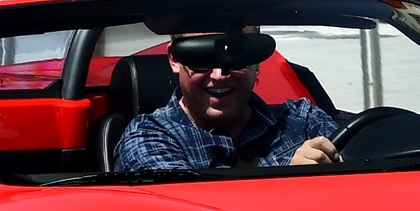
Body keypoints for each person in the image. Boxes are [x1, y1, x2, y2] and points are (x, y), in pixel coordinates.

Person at [112, 27, 341, 172]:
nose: (219, 75)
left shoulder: (303, 120)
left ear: (256, 59)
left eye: (235, 57)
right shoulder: (148, 138)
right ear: (174, 59)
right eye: (202, 58)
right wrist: (289, 179)